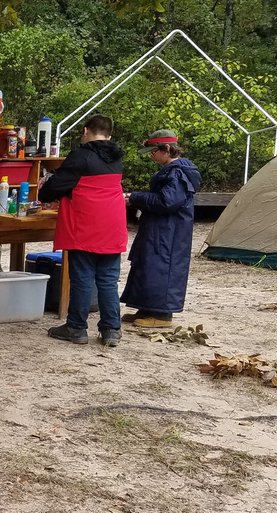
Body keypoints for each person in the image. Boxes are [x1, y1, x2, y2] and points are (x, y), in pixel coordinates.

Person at [37, 113, 127, 347]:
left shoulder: (81, 156)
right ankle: (111, 330)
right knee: (108, 280)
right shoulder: (116, 159)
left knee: (82, 278)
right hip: (112, 225)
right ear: (109, 134)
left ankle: (76, 327)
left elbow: (52, 189)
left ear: (86, 131)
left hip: (85, 226)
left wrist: (48, 187)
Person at [120, 130, 202, 328]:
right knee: (148, 265)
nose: (151, 155)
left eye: (153, 151)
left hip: (169, 232)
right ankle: (146, 307)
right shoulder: (171, 170)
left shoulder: (178, 172)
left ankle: (162, 314)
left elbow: (167, 201)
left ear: (166, 149)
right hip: (159, 228)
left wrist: (137, 197)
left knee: (162, 267)